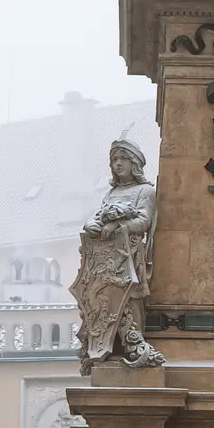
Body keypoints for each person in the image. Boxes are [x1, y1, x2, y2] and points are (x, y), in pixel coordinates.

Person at [75, 139, 164, 373]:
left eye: (122, 159)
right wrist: (91, 225)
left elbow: (143, 221)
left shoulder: (145, 191)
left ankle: (133, 342)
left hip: (129, 255)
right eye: (114, 160)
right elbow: (98, 217)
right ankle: (109, 346)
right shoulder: (112, 192)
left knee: (129, 297)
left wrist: (117, 226)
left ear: (134, 163)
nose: (117, 164)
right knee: (104, 299)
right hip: (104, 260)